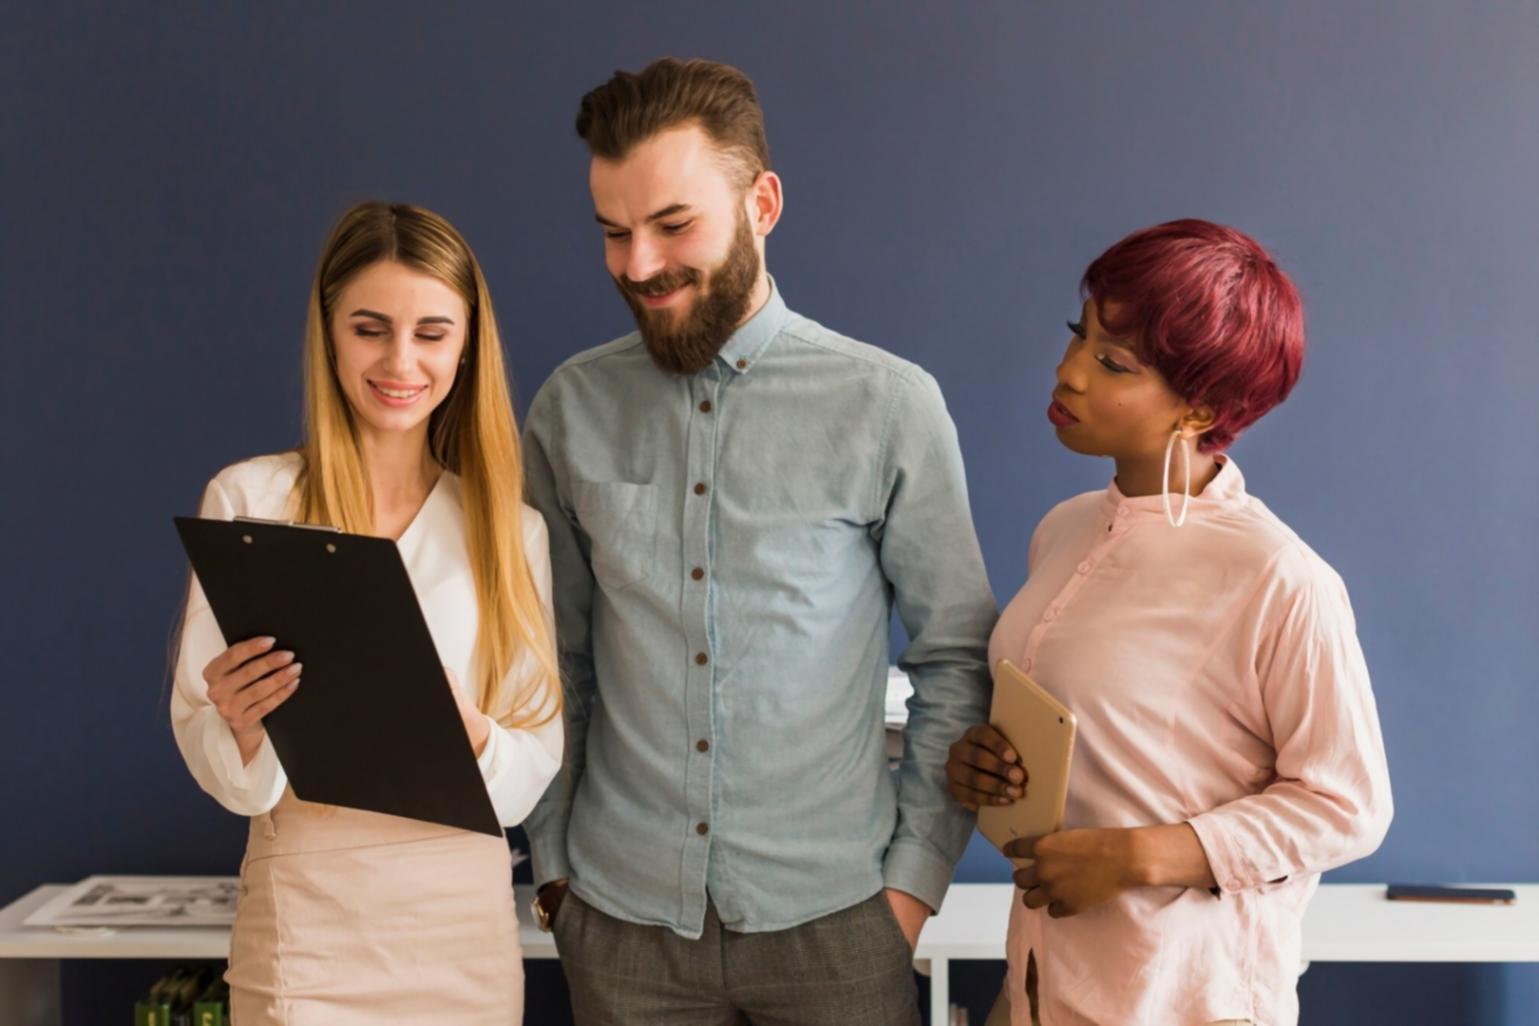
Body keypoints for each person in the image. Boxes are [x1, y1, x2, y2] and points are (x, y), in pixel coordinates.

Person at [521, 58, 998, 1024]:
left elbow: (954, 659)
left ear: (762, 204)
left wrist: (908, 891)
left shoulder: (886, 404)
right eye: (613, 232)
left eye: (673, 224)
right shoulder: (569, 407)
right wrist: (556, 872)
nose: (638, 265)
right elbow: (549, 659)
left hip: (838, 926)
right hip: (620, 927)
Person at [946, 219, 1393, 1026]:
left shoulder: (1277, 577)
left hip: (1181, 997)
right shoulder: (1064, 528)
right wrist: (988, 766)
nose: (1067, 371)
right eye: (1079, 335)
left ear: (1201, 408)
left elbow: (1347, 806)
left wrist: (1140, 856)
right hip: (1039, 982)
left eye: (1112, 363)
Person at [170, 201, 561, 1025]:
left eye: (431, 333)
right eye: (369, 329)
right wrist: (241, 724)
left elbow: (532, 769)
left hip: (461, 940)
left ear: (467, 344)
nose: (400, 360)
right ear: (328, 334)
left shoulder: (508, 530)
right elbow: (221, 761)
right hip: (306, 934)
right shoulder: (251, 503)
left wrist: (472, 733)